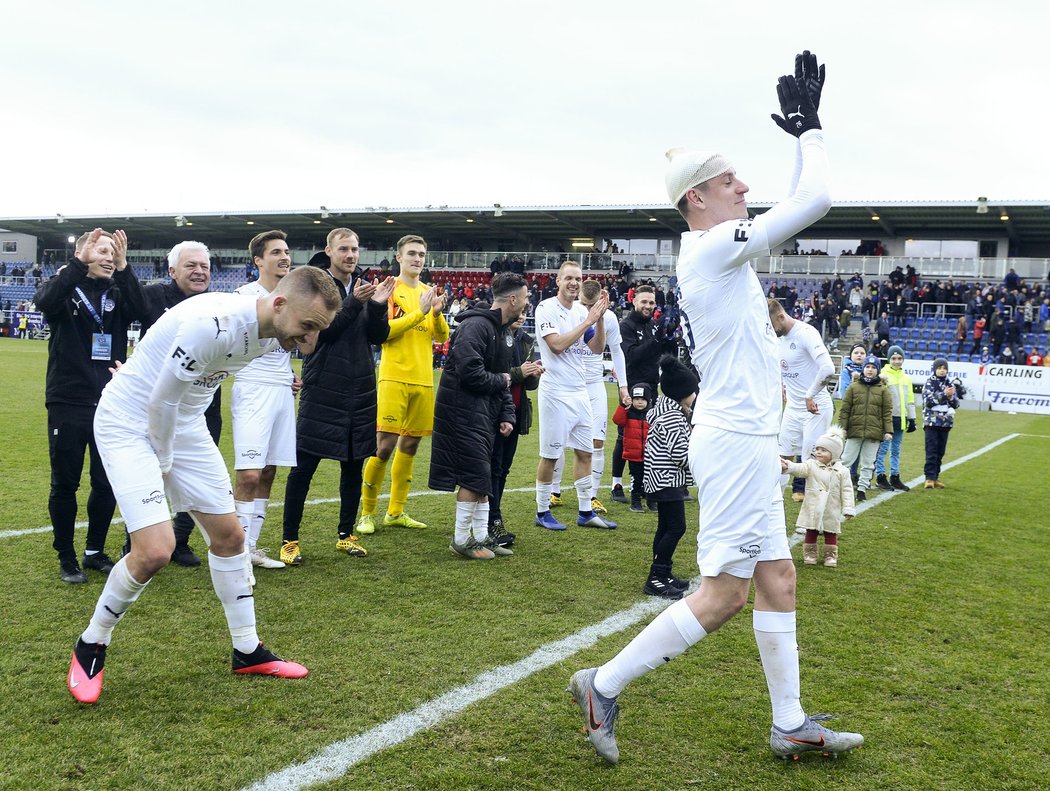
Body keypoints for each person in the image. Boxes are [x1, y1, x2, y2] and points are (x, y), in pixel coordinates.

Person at [569, 52, 863, 763]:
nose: (745, 187)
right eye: (731, 180)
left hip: (749, 439)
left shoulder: (710, 250)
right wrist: (811, 133)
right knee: (725, 593)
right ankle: (601, 684)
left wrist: (801, 139)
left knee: (777, 577)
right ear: (697, 197)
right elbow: (815, 200)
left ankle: (789, 720)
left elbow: (793, 205)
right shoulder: (707, 250)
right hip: (732, 442)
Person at [66, 266, 341, 704]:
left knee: (231, 537)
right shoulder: (214, 325)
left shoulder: (276, 329)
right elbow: (160, 399)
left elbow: (182, 389)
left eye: (318, 331)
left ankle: (247, 650)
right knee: (156, 551)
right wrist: (164, 458)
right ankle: (92, 643)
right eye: (307, 328)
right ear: (279, 302)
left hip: (185, 422)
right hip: (133, 421)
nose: (309, 342)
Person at [34, 229, 145, 584]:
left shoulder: (117, 292)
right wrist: (77, 266)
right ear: (82, 255)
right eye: (102, 251)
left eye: (114, 252)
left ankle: (94, 551)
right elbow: (44, 300)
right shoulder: (66, 289)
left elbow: (144, 312)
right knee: (65, 483)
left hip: (112, 401)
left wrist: (125, 267)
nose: (110, 257)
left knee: (106, 481)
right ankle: (67, 557)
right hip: (68, 399)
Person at [279, 228, 394, 565]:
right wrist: (352, 303)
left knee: (353, 466)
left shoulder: (364, 285)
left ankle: (346, 534)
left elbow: (379, 337)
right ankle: (289, 539)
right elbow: (321, 334)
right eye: (344, 248)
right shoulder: (313, 285)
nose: (351, 255)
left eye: (355, 249)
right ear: (328, 250)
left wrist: (375, 307)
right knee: (303, 468)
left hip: (359, 386)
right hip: (323, 385)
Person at [429, 272, 529, 559]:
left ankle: (482, 535)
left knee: (482, 476)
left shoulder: (500, 330)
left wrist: (507, 415)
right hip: (462, 412)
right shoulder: (476, 327)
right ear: (513, 299)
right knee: (474, 476)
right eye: (524, 298)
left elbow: (501, 379)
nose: (526, 302)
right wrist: (502, 381)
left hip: (482, 414)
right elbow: (471, 373)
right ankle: (461, 539)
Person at [137, 240, 220, 567]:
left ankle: (180, 541)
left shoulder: (218, 304)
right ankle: (140, 543)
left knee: (195, 477)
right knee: (150, 475)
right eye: (191, 266)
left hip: (203, 408)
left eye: (205, 266)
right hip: (160, 406)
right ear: (172, 271)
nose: (200, 272)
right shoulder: (155, 297)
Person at [358, 235, 449, 533]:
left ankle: (396, 512)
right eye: (411, 253)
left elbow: (441, 337)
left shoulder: (427, 291)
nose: (417, 259)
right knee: (383, 446)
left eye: (421, 254)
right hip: (394, 376)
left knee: (410, 445)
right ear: (399, 257)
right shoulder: (390, 290)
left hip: (423, 380)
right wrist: (419, 313)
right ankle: (367, 512)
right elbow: (385, 332)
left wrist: (435, 313)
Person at [231, 231, 301, 572]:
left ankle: (252, 547)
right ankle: (235, 551)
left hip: (282, 388)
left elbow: (301, 345)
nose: (284, 257)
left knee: (270, 471)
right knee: (248, 474)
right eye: (276, 252)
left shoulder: (292, 296)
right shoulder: (245, 296)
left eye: (286, 251)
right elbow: (241, 342)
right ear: (259, 260)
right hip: (252, 387)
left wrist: (291, 373)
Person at [533, 261, 616, 531]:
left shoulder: (582, 311)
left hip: (580, 391)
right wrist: (589, 320)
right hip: (555, 391)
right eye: (568, 278)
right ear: (557, 280)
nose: (574, 282)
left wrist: (599, 318)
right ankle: (542, 511)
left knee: (586, 453)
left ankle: (584, 512)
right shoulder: (546, 308)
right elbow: (556, 345)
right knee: (551, 455)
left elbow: (596, 348)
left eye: (578, 279)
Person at [549, 280, 628, 513]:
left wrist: (623, 385)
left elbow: (617, 351)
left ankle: (592, 496)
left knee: (597, 441)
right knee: (559, 439)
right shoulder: (567, 314)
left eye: (591, 305)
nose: (586, 308)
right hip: (568, 383)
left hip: (594, 385)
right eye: (583, 303)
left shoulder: (610, 318)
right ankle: (554, 492)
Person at [640, 356, 698, 598]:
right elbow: (679, 453)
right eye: (693, 391)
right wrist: (698, 456)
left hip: (658, 477)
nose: (695, 395)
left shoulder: (663, 411)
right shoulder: (673, 417)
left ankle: (663, 573)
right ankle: (656, 575)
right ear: (682, 393)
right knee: (676, 527)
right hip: (667, 479)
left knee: (665, 527)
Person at [768, 298, 835, 504]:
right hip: (793, 408)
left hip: (816, 408)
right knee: (782, 456)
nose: (770, 330)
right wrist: (781, 384)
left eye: (771, 325)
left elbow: (828, 369)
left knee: (811, 462)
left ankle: (818, 513)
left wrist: (809, 394)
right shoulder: (777, 338)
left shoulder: (807, 333)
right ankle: (773, 502)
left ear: (780, 316)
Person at [487, 313, 543, 546]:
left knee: (504, 468)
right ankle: (492, 520)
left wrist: (534, 374)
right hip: (496, 412)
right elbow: (499, 372)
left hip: (516, 412)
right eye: (518, 311)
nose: (521, 316)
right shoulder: (496, 336)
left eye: (524, 311)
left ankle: (493, 519)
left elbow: (526, 383)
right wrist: (521, 371)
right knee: (494, 468)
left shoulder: (525, 339)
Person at [610, 284, 667, 502]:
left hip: (651, 387)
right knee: (624, 436)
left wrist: (665, 339)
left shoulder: (652, 324)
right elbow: (631, 356)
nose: (648, 306)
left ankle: (640, 484)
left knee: (646, 436)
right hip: (631, 387)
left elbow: (657, 353)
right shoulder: (626, 325)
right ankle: (616, 484)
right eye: (644, 301)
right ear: (634, 302)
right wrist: (656, 340)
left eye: (651, 302)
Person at [781, 426, 854, 567]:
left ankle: (830, 555)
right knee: (811, 529)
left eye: (824, 450)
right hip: (813, 506)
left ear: (835, 453)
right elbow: (799, 468)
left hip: (831, 507)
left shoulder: (842, 471)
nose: (819, 452)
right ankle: (810, 553)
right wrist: (788, 466)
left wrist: (848, 508)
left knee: (831, 531)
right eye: (817, 449)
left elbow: (847, 490)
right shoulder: (811, 465)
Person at [837, 355, 892, 502]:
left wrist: (888, 431)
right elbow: (845, 409)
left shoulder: (883, 390)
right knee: (846, 460)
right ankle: (838, 486)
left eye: (873, 368)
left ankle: (862, 489)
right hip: (854, 430)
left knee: (868, 463)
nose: (870, 370)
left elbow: (887, 412)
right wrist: (843, 427)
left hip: (874, 433)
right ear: (863, 368)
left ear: (878, 370)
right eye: (867, 367)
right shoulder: (853, 387)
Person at [873, 345, 917, 492]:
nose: (897, 361)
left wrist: (912, 419)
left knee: (896, 450)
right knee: (883, 449)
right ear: (889, 359)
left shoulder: (906, 379)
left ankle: (895, 476)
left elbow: (910, 400)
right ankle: (880, 476)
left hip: (901, 420)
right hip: (888, 420)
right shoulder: (883, 376)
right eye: (894, 358)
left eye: (899, 358)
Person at [612, 384, 653, 512]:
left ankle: (652, 502)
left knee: (650, 479)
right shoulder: (628, 413)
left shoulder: (652, 415)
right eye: (636, 399)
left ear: (648, 400)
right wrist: (623, 406)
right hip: (633, 455)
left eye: (642, 399)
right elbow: (617, 420)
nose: (639, 402)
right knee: (636, 479)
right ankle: (636, 502)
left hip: (650, 455)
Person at [921, 358, 959, 489]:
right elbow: (928, 401)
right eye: (939, 368)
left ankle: (935, 477)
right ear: (935, 369)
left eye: (944, 368)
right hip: (931, 422)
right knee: (931, 450)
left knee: (940, 452)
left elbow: (956, 404)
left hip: (945, 423)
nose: (942, 371)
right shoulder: (929, 382)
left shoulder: (950, 384)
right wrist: (944, 395)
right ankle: (929, 478)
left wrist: (951, 397)